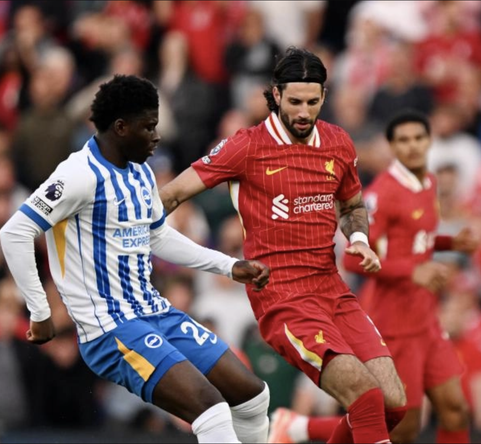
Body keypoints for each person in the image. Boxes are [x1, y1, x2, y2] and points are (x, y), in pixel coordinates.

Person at [0, 75, 272, 443]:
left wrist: (227, 265)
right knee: (212, 410)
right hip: (110, 329)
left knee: (252, 396)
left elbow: (156, 235)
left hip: (154, 312)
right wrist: (40, 311)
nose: (156, 136)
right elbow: (14, 232)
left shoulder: (140, 170)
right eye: (149, 127)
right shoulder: (78, 175)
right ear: (121, 127)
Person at [160, 47, 407, 444]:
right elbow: (172, 194)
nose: (304, 112)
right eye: (294, 102)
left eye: (312, 102)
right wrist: (124, 228)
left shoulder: (338, 142)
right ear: (276, 95)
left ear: (324, 96)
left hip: (332, 288)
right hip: (282, 295)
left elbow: (351, 205)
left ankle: (294, 430)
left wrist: (359, 239)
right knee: (365, 396)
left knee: (393, 405)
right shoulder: (247, 146)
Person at [267, 110, 478, 443]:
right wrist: (413, 271)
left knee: (456, 409)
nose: (412, 146)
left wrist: (450, 243)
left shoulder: (429, 182)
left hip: (426, 319)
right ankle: (300, 428)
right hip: (394, 323)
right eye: (403, 140)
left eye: (418, 138)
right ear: (392, 146)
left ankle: (296, 427)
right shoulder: (383, 194)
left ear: (430, 142)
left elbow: (413, 239)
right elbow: (354, 258)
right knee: (403, 427)